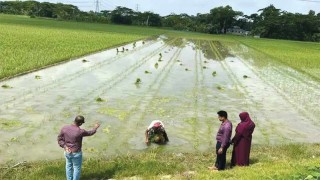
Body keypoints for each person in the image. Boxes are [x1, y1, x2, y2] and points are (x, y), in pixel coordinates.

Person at [57, 115, 100, 180]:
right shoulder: (80, 131)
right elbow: (90, 133)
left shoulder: (64, 128)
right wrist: (95, 127)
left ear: (74, 120)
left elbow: (59, 139)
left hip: (67, 151)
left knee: (68, 166)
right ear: (80, 123)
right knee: (76, 167)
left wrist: (65, 146)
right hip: (76, 153)